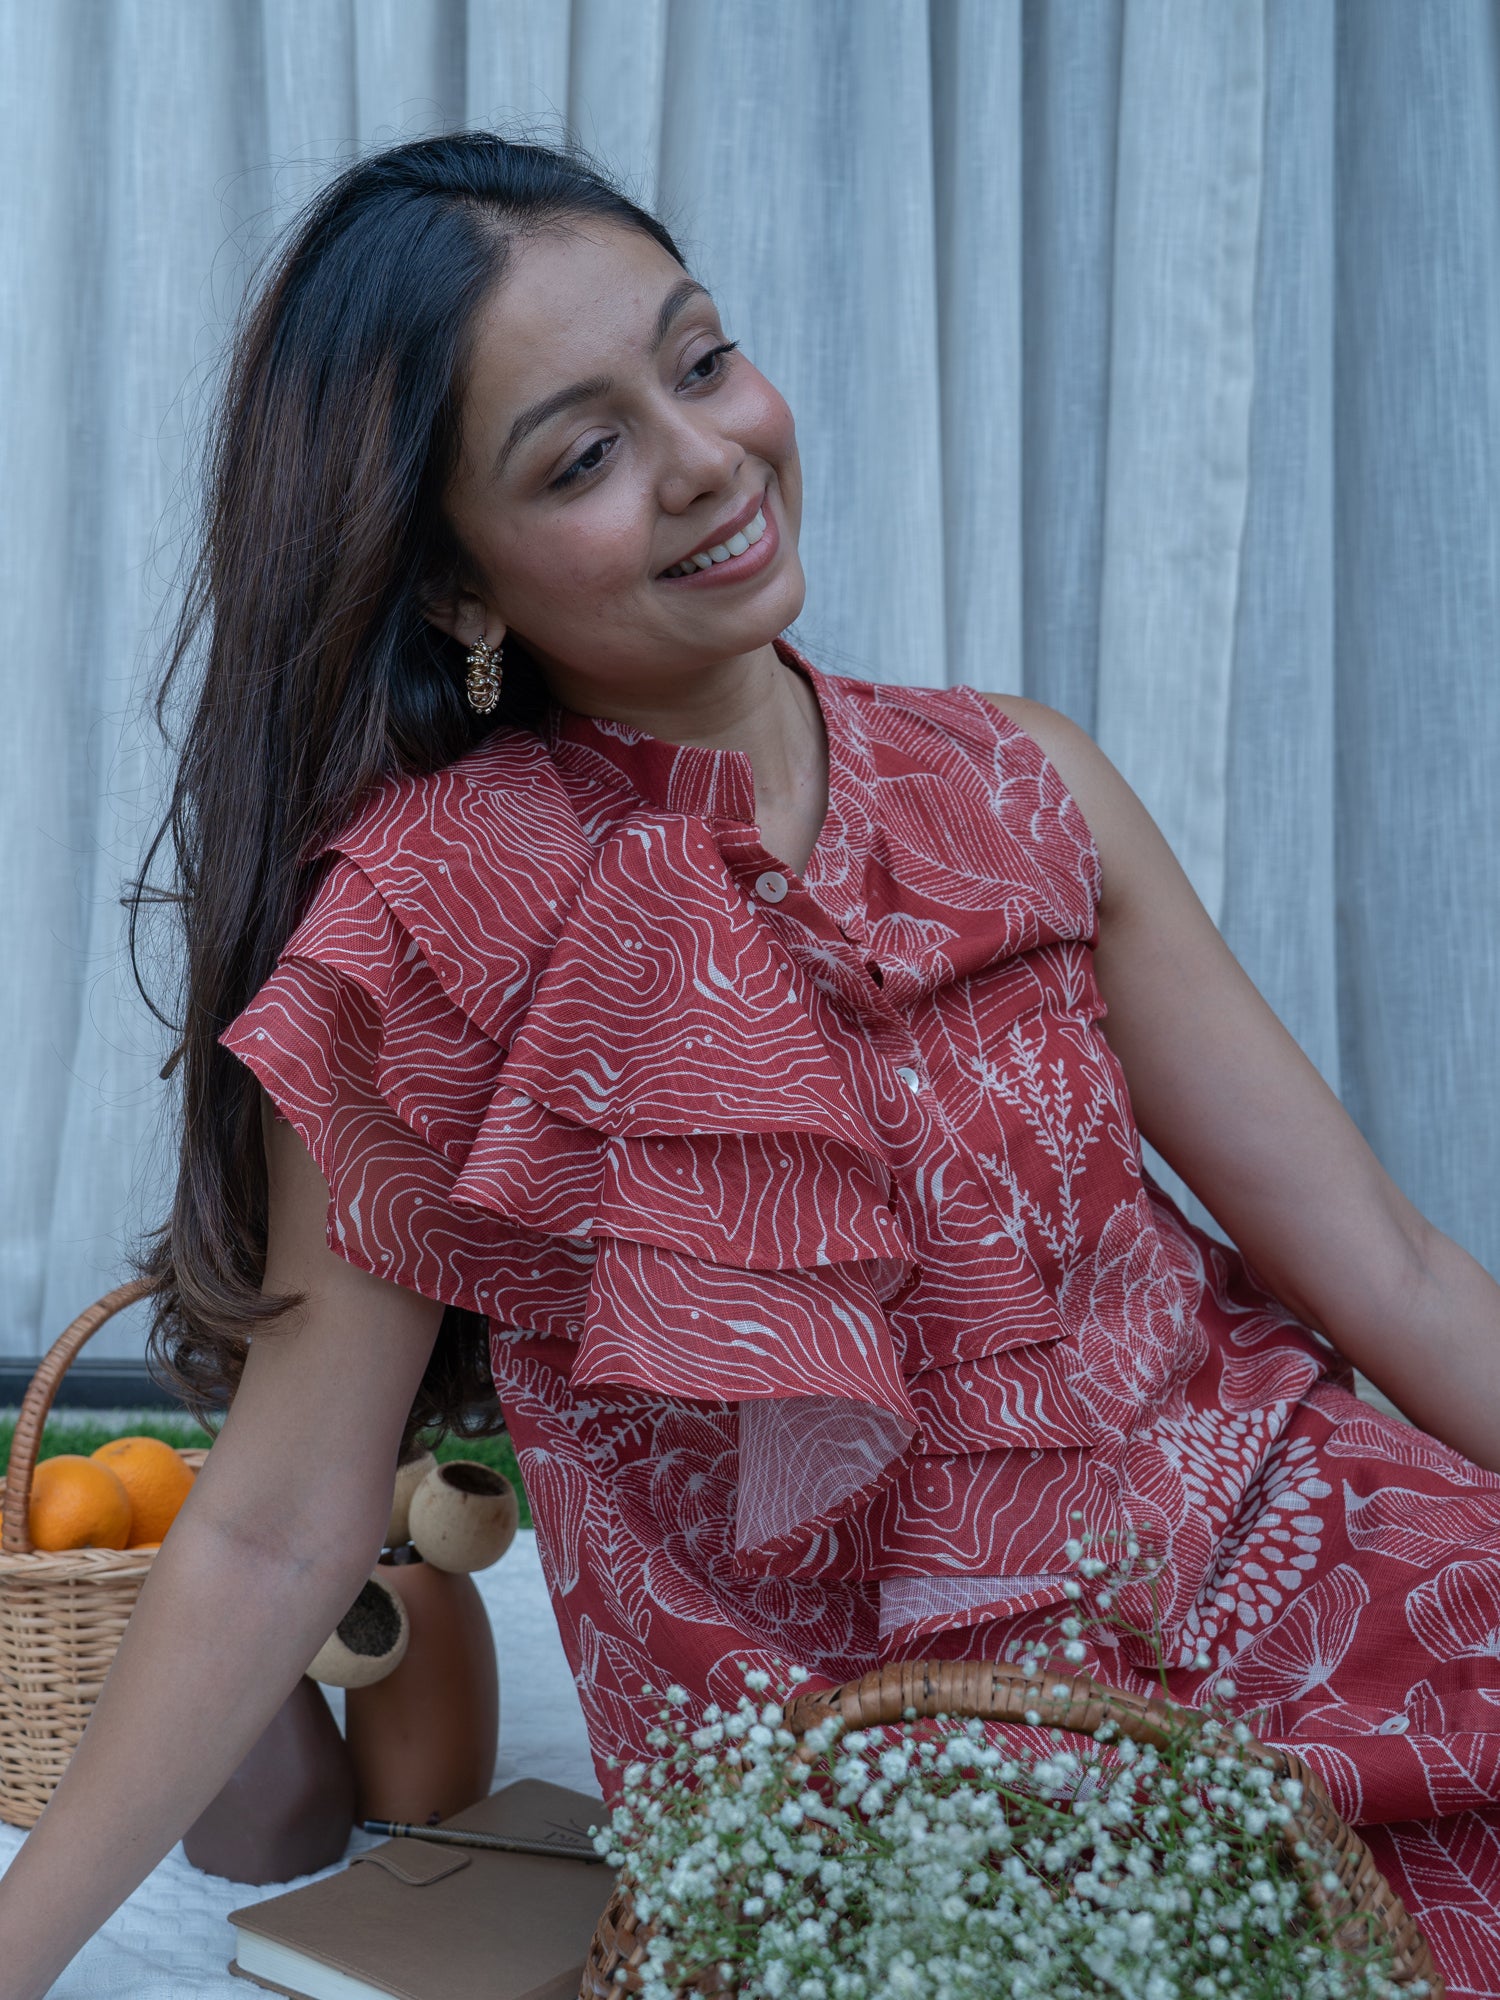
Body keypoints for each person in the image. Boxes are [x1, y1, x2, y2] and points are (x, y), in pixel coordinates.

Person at [1, 128, 1498, 1996]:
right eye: (583, 456)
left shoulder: (1026, 782)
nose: (709, 457)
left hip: (1314, 1580)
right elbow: (277, 1531)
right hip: (881, 1795)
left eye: (701, 361)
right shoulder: (434, 935)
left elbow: (1391, 1270)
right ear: (457, 591)